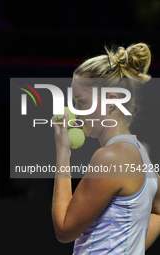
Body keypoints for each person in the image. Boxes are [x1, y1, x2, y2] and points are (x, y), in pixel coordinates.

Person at [51, 43, 160, 254]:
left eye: (81, 103)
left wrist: (63, 153)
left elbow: (64, 229)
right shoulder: (140, 155)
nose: (76, 112)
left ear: (111, 101)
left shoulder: (110, 157)